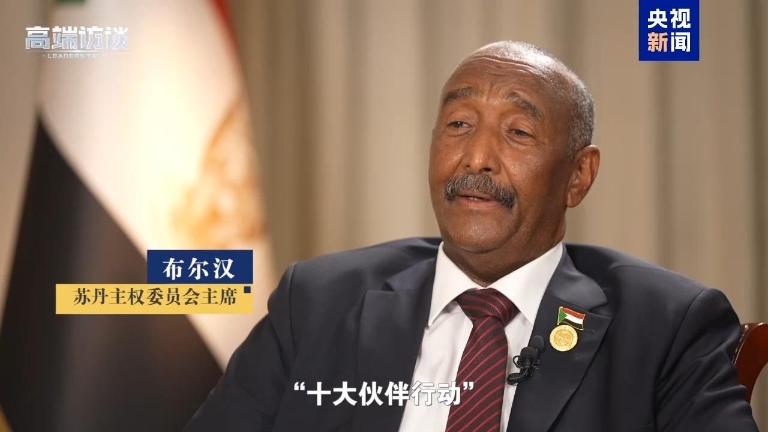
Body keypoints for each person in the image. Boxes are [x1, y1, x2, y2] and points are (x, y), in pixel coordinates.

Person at [185, 41, 758, 432]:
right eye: (458, 125)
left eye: (518, 132)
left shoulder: (665, 325)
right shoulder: (317, 300)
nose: (476, 157)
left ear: (578, 176)